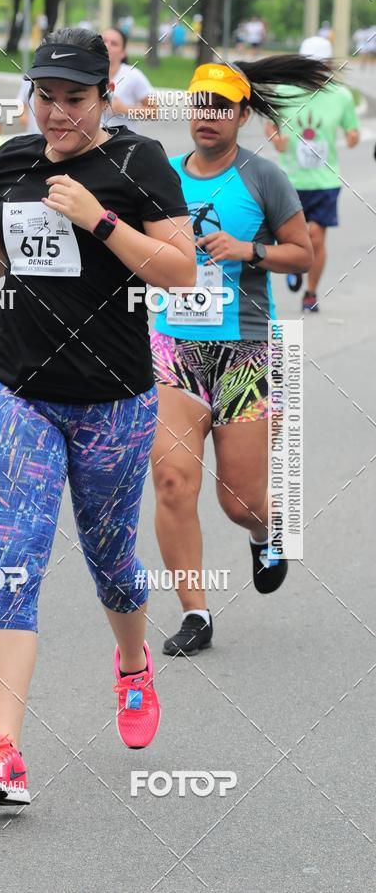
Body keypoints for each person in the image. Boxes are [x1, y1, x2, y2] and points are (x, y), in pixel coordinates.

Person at [0, 27, 195, 806]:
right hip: (21, 391)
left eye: (74, 99)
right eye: (44, 96)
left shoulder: (138, 164)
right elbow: (0, 252)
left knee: (111, 558)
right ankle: (3, 752)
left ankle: (131, 666)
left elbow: (181, 270)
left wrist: (100, 219)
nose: (56, 114)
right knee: (14, 564)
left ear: (104, 92)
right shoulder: (9, 160)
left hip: (114, 402)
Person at [150, 57, 333, 657]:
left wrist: (249, 249)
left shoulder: (264, 177)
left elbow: (302, 254)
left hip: (246, 348)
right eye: (200, 104)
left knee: (240, 501)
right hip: (173, 345)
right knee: (173, 480)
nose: (207, 117)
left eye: (221, 108)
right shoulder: (162, 176)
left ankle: (265, 530)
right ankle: (196, 613)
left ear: (241, 115)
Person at [265, 37, 360, 312]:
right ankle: (295, 265)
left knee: (316, 236)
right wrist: (276, 139)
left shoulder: (340, 96)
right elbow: (271, 125)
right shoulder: (283, 91)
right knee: (290, 237)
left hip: (324, 181)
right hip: (289, 180)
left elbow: (352, 130)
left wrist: (352, 136)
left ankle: (310, 292)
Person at [101, 27, 158, 132]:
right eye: (103, 41)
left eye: (114, 43)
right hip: (93, 143)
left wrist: (124, 109)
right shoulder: (87, 72)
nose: (107, 45)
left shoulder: (133, 75)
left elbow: (154, 111)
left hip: (124, 143)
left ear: (123, 53)